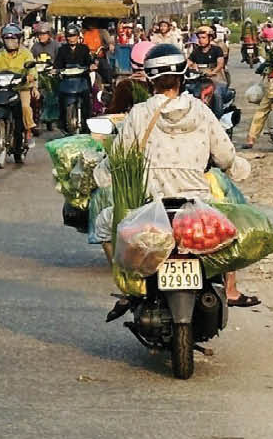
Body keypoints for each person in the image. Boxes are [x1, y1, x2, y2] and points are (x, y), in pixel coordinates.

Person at [106, 44, 257, 307]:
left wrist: (100, 176)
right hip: (197, 205)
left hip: (150, 205)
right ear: (183, 76)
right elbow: (225, 155)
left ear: (150, 78)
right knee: (229, 223)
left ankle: (132, 287)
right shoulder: (200, 110)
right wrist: (238, 168)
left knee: (103, 224)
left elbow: (117, 159)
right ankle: (231, 289)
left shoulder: (140, 113)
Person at [0, 23, 39, 140]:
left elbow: (32, 70)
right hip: (2, 89)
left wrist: (30, 76)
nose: (10, 42)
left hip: (21, 88)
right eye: (7, 39)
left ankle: (28, 130)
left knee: (25, 107)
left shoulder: (26, 53)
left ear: (19, 39)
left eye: (13, 39)